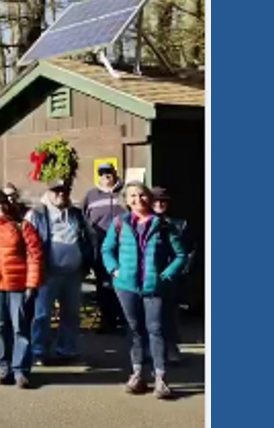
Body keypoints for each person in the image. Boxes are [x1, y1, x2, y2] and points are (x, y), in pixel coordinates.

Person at [102, 182, 186, 399]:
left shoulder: (163, 225)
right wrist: (114, 269)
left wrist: (165, 275)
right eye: (132, 196)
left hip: (153, 287)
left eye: (141, 195)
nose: (137, 199)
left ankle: (161, 378)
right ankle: (137, 374)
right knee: (134, 330)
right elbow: (107, 249)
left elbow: (180, 255)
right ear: (126, 199)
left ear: (148, 198)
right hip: (126, 286)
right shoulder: (119, 222)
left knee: (156, 330)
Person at [25, 179, 93, 365]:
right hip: (47, 273)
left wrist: (87, 262)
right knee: (42, 314)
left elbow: (88, 238)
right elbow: (27, 242)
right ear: (48, 192)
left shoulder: (76, 214)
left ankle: (67, 349)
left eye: (64, 191)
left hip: (73, 273)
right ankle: (39, 350)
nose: (61, 194)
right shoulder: (36, 214)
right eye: (56, 191)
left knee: (71, 313)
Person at [0, 190, 43, 388]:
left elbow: (35, 256)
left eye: (2, 204)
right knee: (0, 327)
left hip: (18, 285)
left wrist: (31, 284)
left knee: (20, 328)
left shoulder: (22, 226)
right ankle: (5, 368)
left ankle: (21, 370)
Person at [84, 162, 126, 333]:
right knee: (103, 285)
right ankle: (107, 322)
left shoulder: (124, 192)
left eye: (109, 172)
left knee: (123, 283)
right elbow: (83, 219)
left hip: (124, 247)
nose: (106, 176)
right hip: (100, 247)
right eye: (102, 173)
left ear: (115, 173)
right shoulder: (91, 195)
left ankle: (124, 321)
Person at [152, 186, 190, 365]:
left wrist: (173, 271)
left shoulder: (178, 224)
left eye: (163, 201)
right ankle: (150, 349)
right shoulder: (144, 222)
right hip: (148, 273)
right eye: (156, 200)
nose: (159, 204)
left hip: (170, 274)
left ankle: (172, 346)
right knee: (151, 314)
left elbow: (186, 251)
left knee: (169, 312)